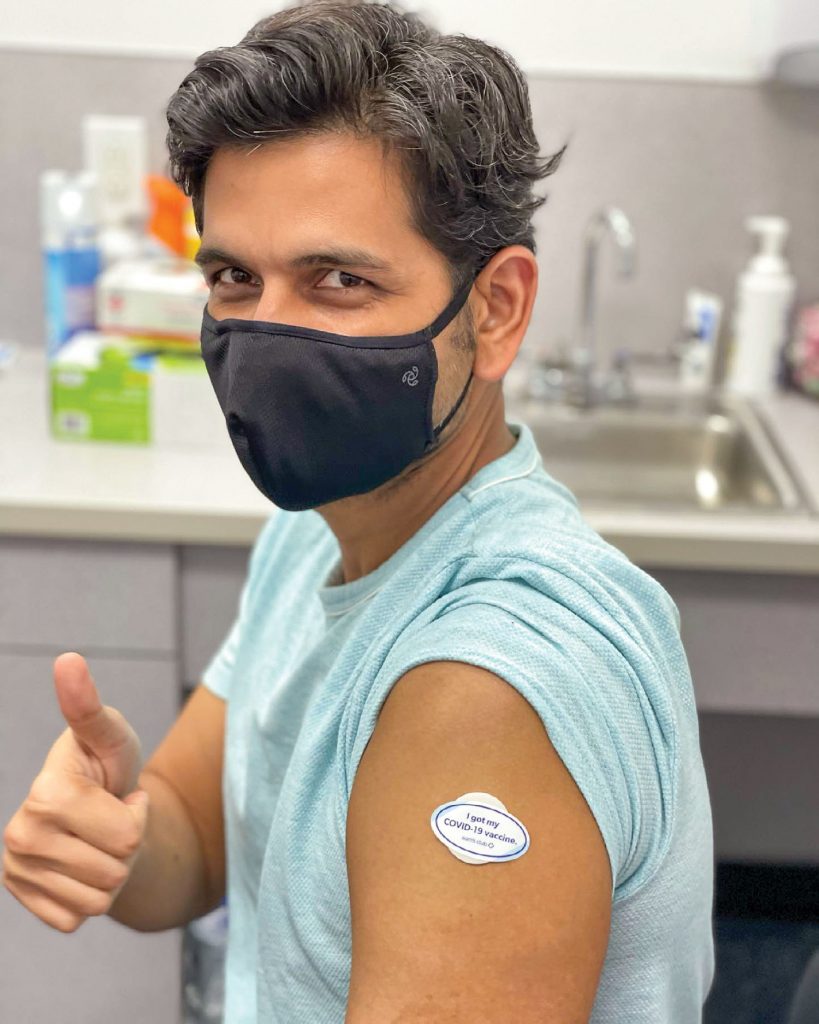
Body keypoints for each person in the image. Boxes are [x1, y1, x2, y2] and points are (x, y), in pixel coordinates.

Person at [1, 2, 715, 1020]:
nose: (266, 335)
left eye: (339, 279)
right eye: (234, 276)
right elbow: (197, 843)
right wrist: (114, 830)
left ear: (497, 308)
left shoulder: (482, 687)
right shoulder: (321, 528)